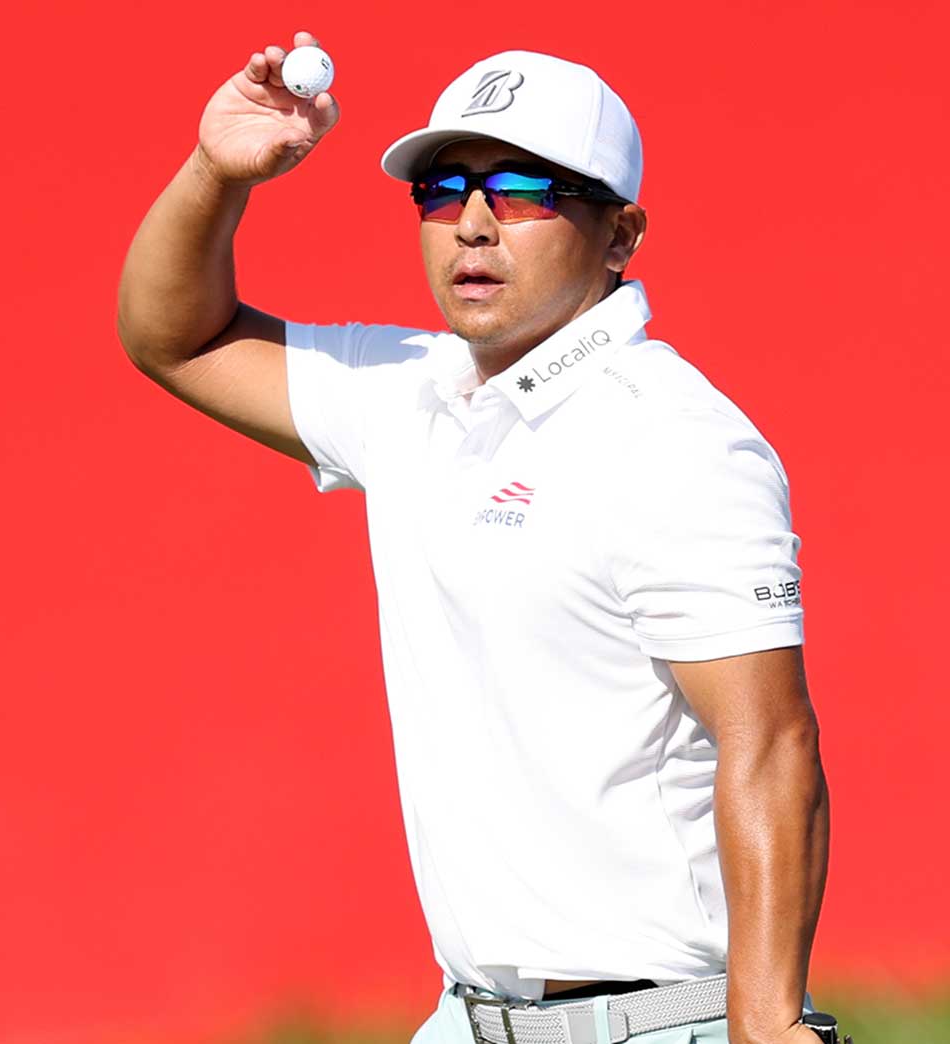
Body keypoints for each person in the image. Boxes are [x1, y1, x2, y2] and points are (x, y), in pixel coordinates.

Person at [115, 35, 835, 1044]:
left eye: (523, 188)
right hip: (464, 1019)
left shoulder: (673, 440)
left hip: (662, 1023)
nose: (473, 223)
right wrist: (214, 176)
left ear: (618, 233)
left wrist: (764, 1025)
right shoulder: (407, 391)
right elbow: (172, 335)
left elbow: (769, 744)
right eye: (442, 189)